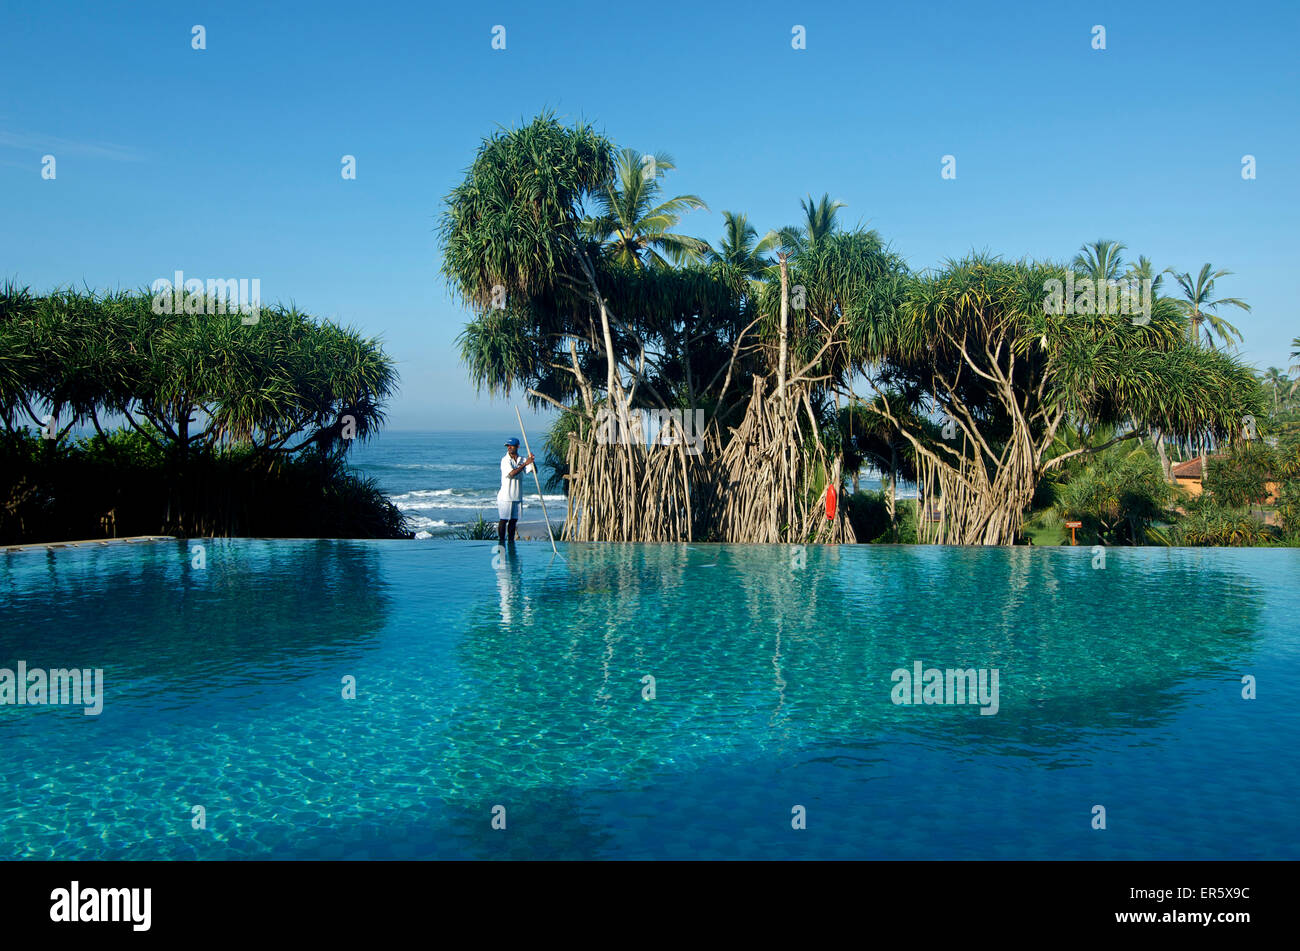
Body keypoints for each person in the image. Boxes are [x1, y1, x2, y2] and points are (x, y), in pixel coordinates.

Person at [497, 437, 533, 545]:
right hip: (505, 496)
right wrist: (525, 464)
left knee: (513, 521)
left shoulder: (522, 459)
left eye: (511, 446)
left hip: (517, 495)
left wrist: (531, 461)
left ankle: (511, 541)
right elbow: (512, 474)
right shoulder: (505, 460)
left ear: (517, 447)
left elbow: (533, 470)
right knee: (504, 520)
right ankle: (501, 542)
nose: (509, 448)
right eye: (507, 446)